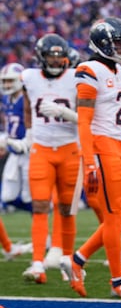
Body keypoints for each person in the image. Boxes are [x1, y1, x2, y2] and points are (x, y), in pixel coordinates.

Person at [60, 17, 121, 299]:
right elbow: (84, 123)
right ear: (102, 44)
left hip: (117, 149)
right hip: (99, 150)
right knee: (112, 217)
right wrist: (89, 161)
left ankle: (77, 259)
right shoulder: (90, 70)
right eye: (119, 42)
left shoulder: (120, 71)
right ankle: (118, 282)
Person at [11, 35, 79, 285]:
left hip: (69, 148)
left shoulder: (75, 76)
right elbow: (28, 108)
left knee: (67, 208)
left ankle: (68, 260)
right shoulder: (29, 77)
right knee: (39, 206)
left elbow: (86, 115)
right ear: (41, 57)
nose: (55, 60)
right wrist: (28, 134)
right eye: (50, 56)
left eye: (58, 56)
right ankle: (38, 262)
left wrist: (65, 113)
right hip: (41, 148)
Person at [0, 63, 32, 214]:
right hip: (13, 150)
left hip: (28, 151)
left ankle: (42, 227)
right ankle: (42, 210)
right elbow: (9, 124)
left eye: (10, 81)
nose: (6, 84)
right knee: (7, 197)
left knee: (29, 197)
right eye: (4, 81)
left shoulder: (28, 98)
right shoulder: (7, 99)